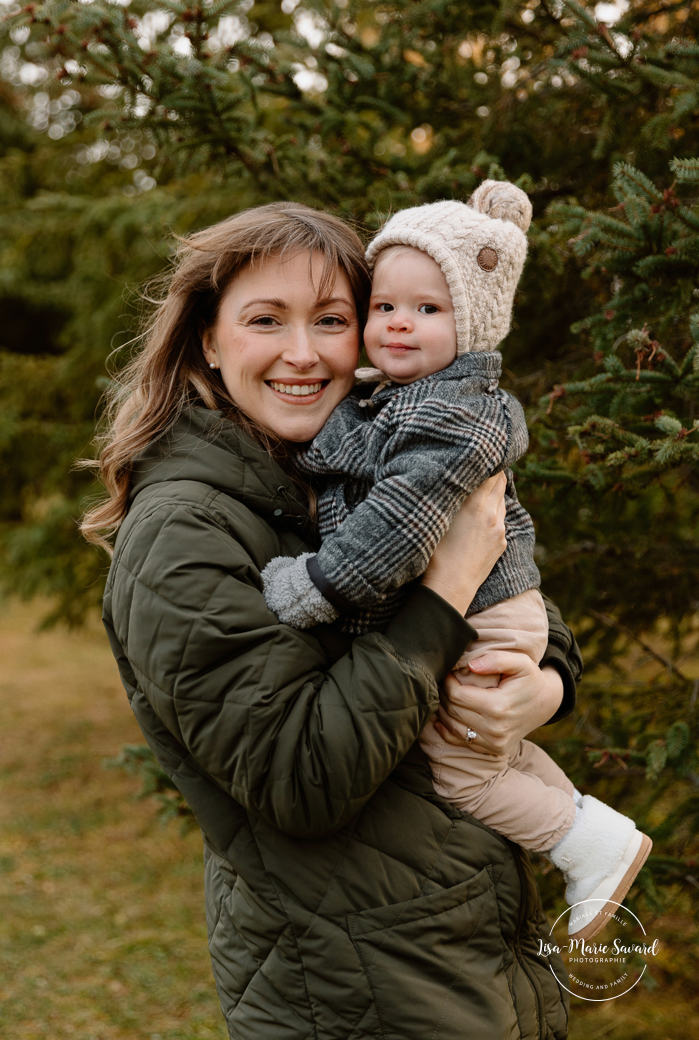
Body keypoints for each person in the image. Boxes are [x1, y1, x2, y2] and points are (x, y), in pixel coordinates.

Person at [82, 202, 582, 1040]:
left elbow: (506, 583)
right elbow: (300, 776)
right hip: (358, 989)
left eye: (332, 320)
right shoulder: (183, 530)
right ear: (208, 339)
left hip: (462, 950)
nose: (303, 353)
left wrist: (546, 684)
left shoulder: (350, 464)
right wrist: (442, 591)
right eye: (265, 320)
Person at [260, 184, 651, 942]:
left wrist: (314, 585)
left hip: (482, 612)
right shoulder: (398, 396)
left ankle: (584, 846)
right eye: (384, 307)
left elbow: (397, 527)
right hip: (484, 605)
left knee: (459, 764)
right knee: (484, 739)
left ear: (469, 325)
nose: (399, 322)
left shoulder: (451, 415)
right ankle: (589, 834)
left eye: (428, 310)